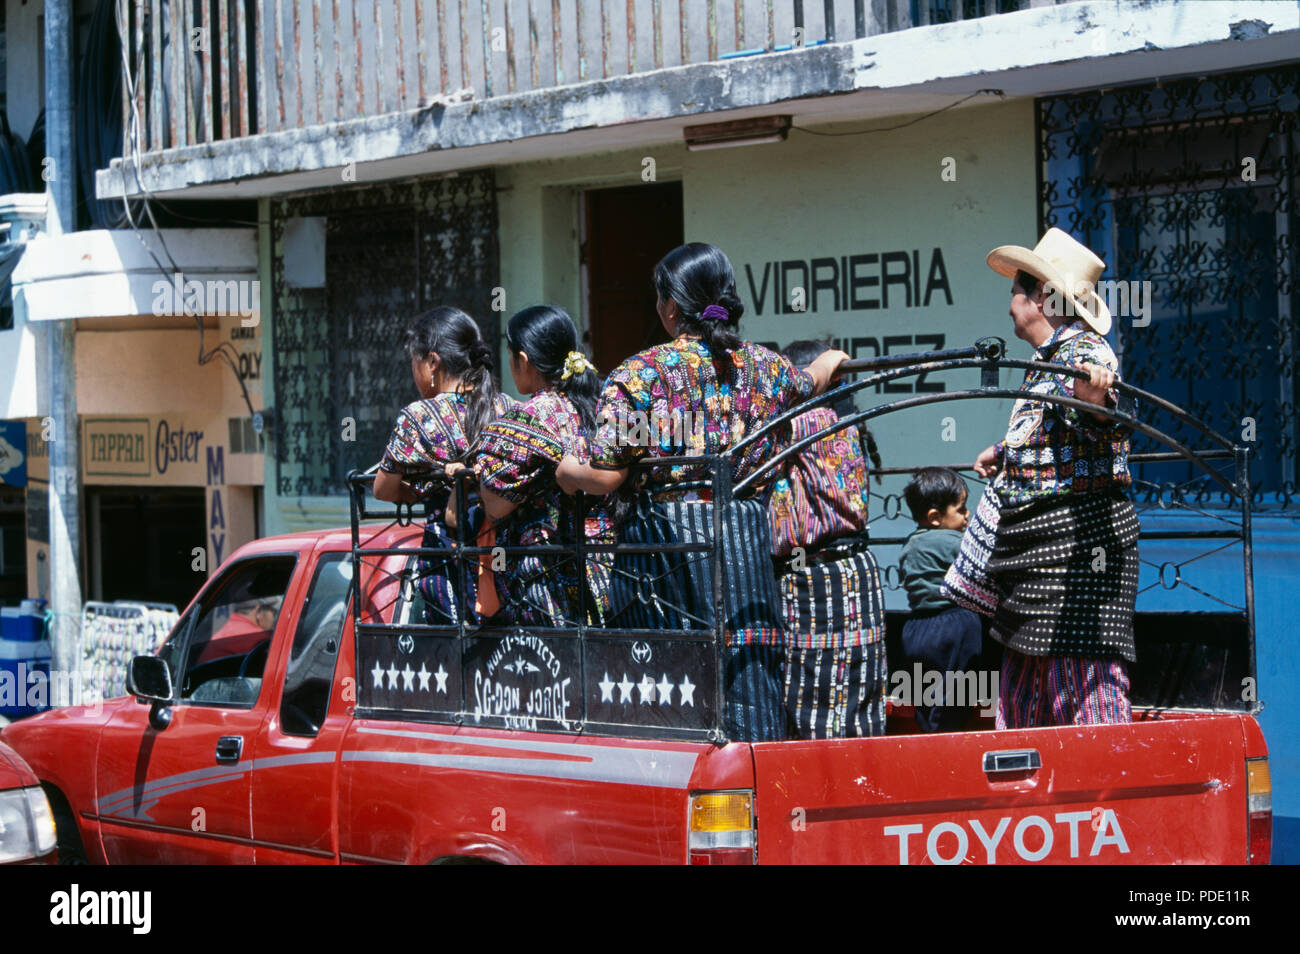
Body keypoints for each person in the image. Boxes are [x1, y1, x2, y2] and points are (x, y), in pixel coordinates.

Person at [556, 242, 848, 742]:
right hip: (743, 547)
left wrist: (566, 471)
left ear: (670, 307)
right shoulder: (768, 369)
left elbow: (606, 474)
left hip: (663, 551)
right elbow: (810, 380)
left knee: (662, 691)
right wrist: (835, 357)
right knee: (747, 678)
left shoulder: (641, 374)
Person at [942, 227, 1139, 728]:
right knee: (1028, 679)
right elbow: (1048, 430)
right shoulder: (1043, 359)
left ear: (1042, 297)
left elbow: (1097, 405)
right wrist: (1005, 453)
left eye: (1015, 292)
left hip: (1071, 555)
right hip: (1032, 556)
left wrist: (1094, 400)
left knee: (1081, 678)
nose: (1009, 303)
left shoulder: (1083, 350)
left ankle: (1100, 788)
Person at [768, 339, 888, 739]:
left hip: (814, 579)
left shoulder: (802, 423)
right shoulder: (843, 423)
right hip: (851, 573)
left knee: (812, 698)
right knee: (856, 697)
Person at [467, 305, 613, 626]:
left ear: (523, 360)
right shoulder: (601, 402)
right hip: (608, 571)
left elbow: (495, 504)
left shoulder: (530, 416)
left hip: (548, 582)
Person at [373, 306, 513, 625]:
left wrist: (423, 492)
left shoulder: (418, 417)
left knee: (453, 657)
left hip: (450, 556)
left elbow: (383, 489)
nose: (412, 370)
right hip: (506, 555)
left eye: (414, 361)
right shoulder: (506, 406)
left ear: (433, 362)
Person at [899, 467, 984, 732]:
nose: (967, 515)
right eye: (960, 509)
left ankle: (929, 735)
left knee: (927, 695)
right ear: (935, 517)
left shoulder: (909, 544)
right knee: (959, 695)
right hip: (954, 624)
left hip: (916, 629)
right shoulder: (953, 541)